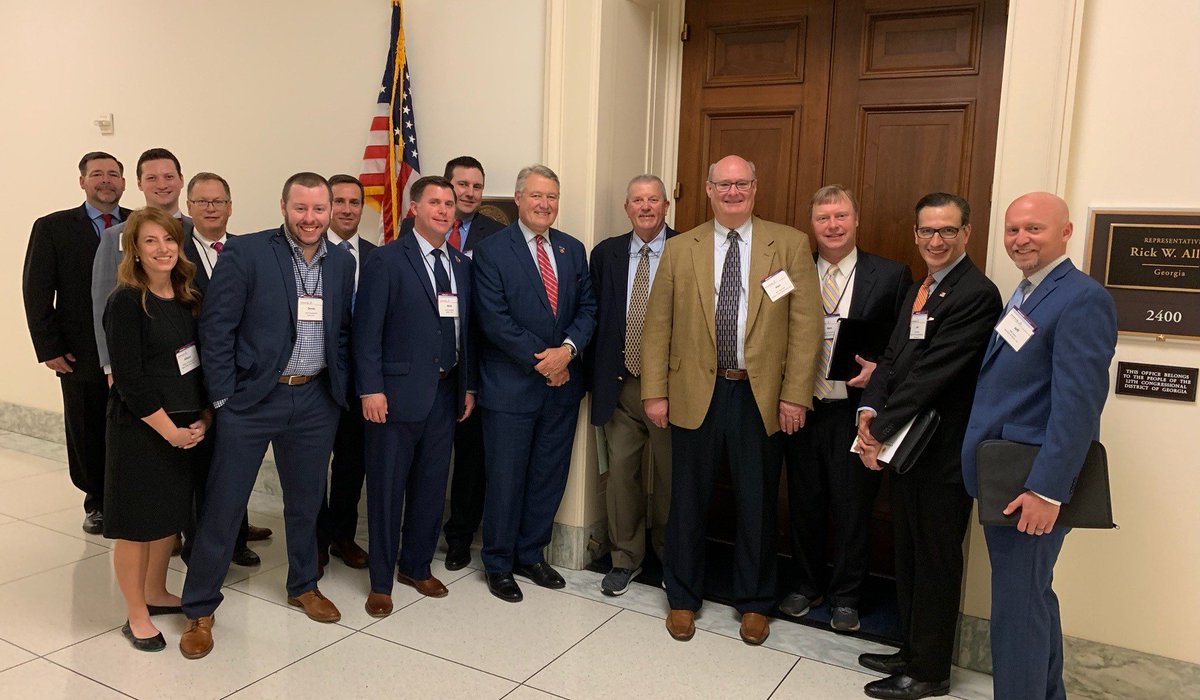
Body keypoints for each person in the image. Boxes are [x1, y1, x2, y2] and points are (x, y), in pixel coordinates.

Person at [641, 154, 822, 645]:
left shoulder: (788, 244)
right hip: (693, 391)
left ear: (755, 187)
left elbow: (807, 328)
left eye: (742, 183)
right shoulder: (681, 249)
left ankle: (755, 602)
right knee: (688, 500)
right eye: (724, 184)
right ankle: (681, 597)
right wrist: (655, 392)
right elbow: (658, 326)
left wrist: (795, 395)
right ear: (707, 189)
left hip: (760, 395)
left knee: (758, 502)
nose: (733, 191)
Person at [178, 173, 355, 660]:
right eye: (301, 208)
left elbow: (340, 330)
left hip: (315, 399)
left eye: (319, 209)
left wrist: (336, 389)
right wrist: (222, 400)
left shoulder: (341, 262)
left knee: (305, 504)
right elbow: (216, 329)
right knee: (224, 506)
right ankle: (199, 607)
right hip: (252, 402)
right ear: (284, 206)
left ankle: (304, 583)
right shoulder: (249, 252)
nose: (311, 218)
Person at [961, 192, 1116, 700]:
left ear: (1065, 232)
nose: (1020, 239)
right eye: (1013, 230)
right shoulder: (1028, 292)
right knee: (1031, 601)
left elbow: (1078, 406)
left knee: (1018, 610)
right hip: (1009, 477)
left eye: (1034, 229)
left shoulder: (1081, 297)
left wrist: (1047, 491)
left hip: (1031, 487)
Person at [855, 193, 1001, 699]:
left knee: (936, 559)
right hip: (908, 447)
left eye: (946, 231)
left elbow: (933, 377)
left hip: (942, 453)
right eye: (926, 232)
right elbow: (893, 360)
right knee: (910, 552)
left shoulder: (977, 294)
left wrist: (880, 427)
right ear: (915, 233)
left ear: (966, 233)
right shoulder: (925, 287)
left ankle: (930, 670)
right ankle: (910, 648)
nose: (934, 241)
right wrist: (869, 410)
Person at [778, 186, 912, 632]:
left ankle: (846, 595)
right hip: (801, 406)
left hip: (856, 411)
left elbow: (903, 346)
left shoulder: (892, 275)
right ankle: (805, 584)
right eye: (822, 218)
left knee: (854, 506)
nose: (832, 226)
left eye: (840, 217)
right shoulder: (790, 273)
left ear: (856, 220)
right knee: (804, 501)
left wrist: (880, 372)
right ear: (811, 225)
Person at [472, 164, 597, 603]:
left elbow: (589, 308)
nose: (545, 204)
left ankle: (531, 553)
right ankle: (499, 561)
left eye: (552, 197)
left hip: (563, 386)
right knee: (506, 477)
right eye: (537, 196)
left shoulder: (572, 249)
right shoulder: (491, 251)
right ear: (519, 198)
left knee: (548, 474)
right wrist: (545, 361)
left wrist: (568, 351)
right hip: (511, 387)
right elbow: (494, 320)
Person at [354, 175, 476, 617]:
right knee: (386, 490)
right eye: (435, 203)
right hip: (393, 395)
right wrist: (370, 388)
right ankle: (382, 581)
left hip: (445, 394)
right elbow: (366, 332)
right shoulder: (387, 260)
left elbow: (468, 334)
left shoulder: (462, 264)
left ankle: (416, 565)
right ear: (414, 209)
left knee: (429, 487)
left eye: (449, 204)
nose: (445, 210)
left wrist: (468, 387)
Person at [102, 207, 210, 652]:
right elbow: (130, 380)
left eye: (168, 240)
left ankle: (156, 590)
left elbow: (199, 364)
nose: (163, 249)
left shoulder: (187, 297)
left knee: (168, 518)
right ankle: (135, 614)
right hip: (144, 428)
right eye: (150, 241)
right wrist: (169, 430)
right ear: (135, 250)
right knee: (136, 525)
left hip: (186, 426)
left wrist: (203, 416)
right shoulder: (127, 301)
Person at [22, 151, 130, 534]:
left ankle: (130, 497)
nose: (106, 181)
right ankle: (96, 501)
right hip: (79, 350)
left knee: (134, 425)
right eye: (97, 174)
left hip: (133, 349)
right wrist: (48, 347)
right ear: (82, 181)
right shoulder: (53, 227)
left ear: (123, 181)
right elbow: (36, 290)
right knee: (86, 427)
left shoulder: (139, 223)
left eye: (113, 174)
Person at [587, 174, 677, 596]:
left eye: (653, 200)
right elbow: (595, 315)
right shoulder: (606, 254)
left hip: (673, 388)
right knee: (621, 476)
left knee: (671, 480)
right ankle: (625, 558)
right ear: (627, 208)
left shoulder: (687, 250)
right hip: (620, 385)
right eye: (637, 200)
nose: (645, 207)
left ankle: (671, 556)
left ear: (666, 206)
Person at [180, 172, 265, 568]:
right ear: (189, 207)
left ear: (230, 206)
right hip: (192, 373)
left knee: (236, 459)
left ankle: (236, 540)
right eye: (202, 201)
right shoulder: (174, 251)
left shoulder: (251, 250)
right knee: (201, 464)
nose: (211, 208)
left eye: (218, 201)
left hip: (243, 373)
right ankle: (197, 543)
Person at [434, 156, 505, 571]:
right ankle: (418, 531)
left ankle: (460, 537)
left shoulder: (497, 235)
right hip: (430, 363)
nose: (470, 193)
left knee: (472, 460)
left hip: (475, 361)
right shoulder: (417, 228)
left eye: (477, 186)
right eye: (462, 184)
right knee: (428, 454)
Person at [316, 174, 376, 575]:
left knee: (352, 465)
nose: (348, 209)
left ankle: (342, 536)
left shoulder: (377, 256)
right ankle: (314, 541)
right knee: (312, 465)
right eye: (339, 202)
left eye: (355, 202)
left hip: (360, 381)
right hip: (317, 378)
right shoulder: (306, 252)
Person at [91, 148, 193, 379]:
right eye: (151, 178)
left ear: (181, 180)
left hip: (193, 355)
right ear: (139, 183)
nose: (162, 184)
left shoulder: (197, 231)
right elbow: (102, 304)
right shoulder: (115, 236)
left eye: (168, 177)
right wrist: (110, 366)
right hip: (139, 358)